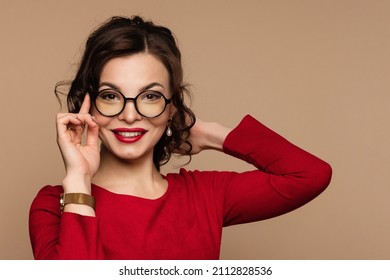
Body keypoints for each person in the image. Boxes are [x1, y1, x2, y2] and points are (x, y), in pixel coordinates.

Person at [29, 15, 332, 260]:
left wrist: (209, 133)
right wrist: (80, 181)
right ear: (88, 103)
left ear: (172, 106)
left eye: (150, 96)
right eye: (111, 95)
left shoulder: (205, 195)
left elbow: (310, 175)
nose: (130, 115)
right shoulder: (53, 204)